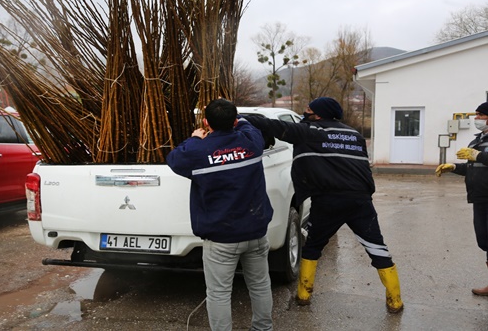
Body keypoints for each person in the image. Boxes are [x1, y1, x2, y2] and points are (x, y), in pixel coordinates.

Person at [243, 97, 404, 313]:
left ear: (318, 115)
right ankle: (395, 301)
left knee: (313, 247)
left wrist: (234, 116)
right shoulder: (355, 135)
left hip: (328, 199)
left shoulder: (309, 131)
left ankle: (303, 295)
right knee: (377, 248)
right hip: (360, 199)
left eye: (309, 109)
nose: (305, 111)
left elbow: (272, 126)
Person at [167, 98, 274, 330]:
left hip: (221, 238)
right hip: (256, 231)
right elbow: (250, 126)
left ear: (206, 122)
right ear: (234, 121)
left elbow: (174, 159)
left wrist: (195, 137)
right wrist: (238, 120)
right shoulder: (252, 142)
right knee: (260, 285)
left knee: (219, 293)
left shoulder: (198, 151)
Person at [436, 101, 488, 296]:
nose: (477, 119)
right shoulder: (477, 140)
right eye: (477, 115)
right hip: (480, 197)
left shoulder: (478, 147)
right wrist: (454, 167)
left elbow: (480, 159)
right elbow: (473, 167)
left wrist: (478, 155)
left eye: (481, 115)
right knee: (484, 241)